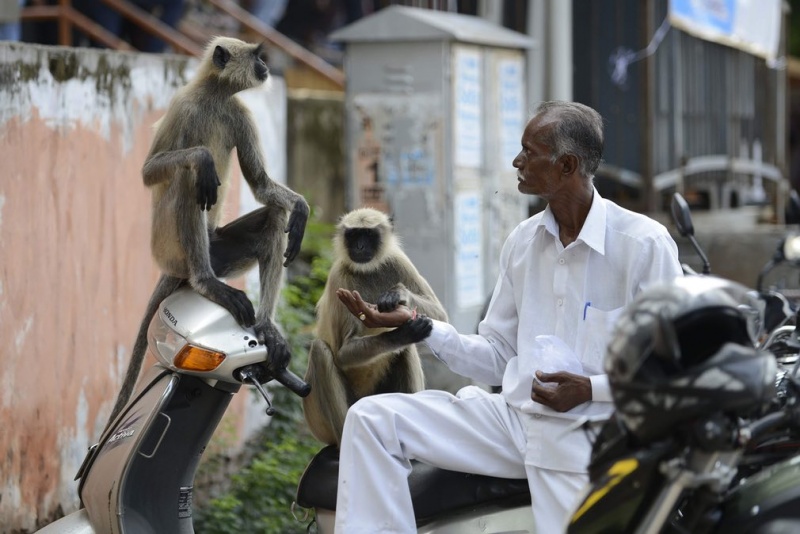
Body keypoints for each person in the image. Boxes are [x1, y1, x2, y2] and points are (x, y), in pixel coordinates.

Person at [333, 100, 684, 533]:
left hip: (589, 433)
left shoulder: (644, 245)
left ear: (567, 165)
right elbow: (498, 355)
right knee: (371, 420)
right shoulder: (523, 241)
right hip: (513, 421)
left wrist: (590, 389)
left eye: (529, 152)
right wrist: (419, 327)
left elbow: (671, 371)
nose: (516, 162)